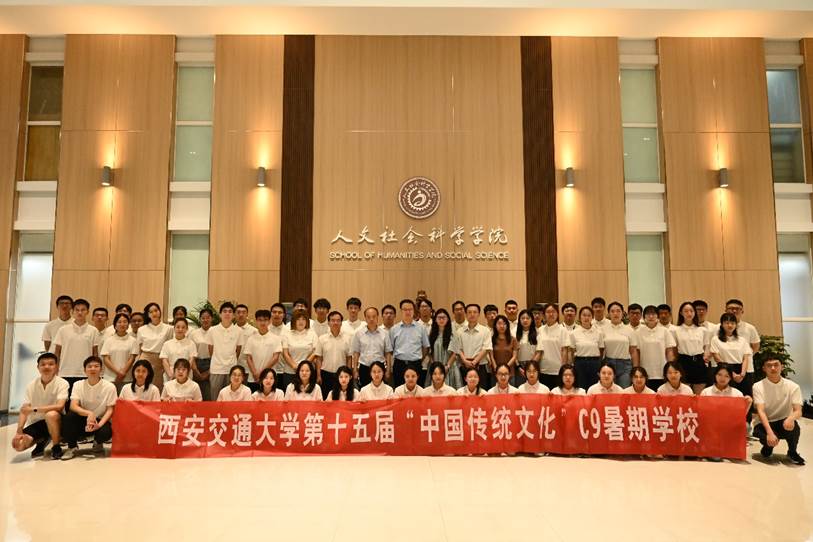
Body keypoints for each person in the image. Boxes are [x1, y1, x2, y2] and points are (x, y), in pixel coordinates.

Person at [11, 352, 68, 460]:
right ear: (38, 367)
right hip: (37, 423)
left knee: (51, 415)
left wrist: (34, 409)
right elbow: (24, 410)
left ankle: (56, 446)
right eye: (43, 364)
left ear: (56, 367)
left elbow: (60, 406)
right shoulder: (31, 385)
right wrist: (19, 431)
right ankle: (42, 441)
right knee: (19, 445)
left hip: (57, 421)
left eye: (50, 364)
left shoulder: (62, 383)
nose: (46, 367)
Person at [61, 356, 117, 460]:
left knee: (106, 432)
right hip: (83, 419)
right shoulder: (78, 385)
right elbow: (73, 406)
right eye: (89, 366)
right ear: (84, 370)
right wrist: (89, 414)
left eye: (96, 366)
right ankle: (72, 447)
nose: (93, 369)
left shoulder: (110, 387)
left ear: (101, 369)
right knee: (69, 417)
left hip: (100, 420)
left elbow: (110, 410)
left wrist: (98, 425)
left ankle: (98, 443)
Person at [752, 358, 805, 465]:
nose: (773, 368)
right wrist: (770, 433)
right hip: (764, 423)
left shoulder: (793, 386)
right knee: (764, 435)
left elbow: (798, 411)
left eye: (776, 365)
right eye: (769, 365)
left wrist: (791, 418)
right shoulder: (758, 386)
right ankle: (768, 447)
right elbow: (761, 411)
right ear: (764, 368)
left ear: (782, 367)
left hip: (783, 421)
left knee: (794, 427)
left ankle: (792, 452)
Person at [53, 298, 101, 397]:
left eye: (83, 310)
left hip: (85, 373)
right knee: (65, 400)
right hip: (65, 372)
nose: (80, 312)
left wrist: (95, 370)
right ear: (72, 311)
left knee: (83, 400)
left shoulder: (93, 330)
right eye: (77, 310)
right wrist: (56, 369)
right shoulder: (63, 330)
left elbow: (95, 353)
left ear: (87, 312)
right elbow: (57, 352)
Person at [207, 303, 246, 400]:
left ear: (233, 315)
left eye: (230, 311)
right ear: (220, 314)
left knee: (231, 399)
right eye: (224, 311)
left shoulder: (239, 331)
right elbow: (210, 349)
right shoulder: (212, 330)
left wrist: (231, 360)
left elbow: (238, 350)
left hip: (231, 369)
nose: (227, 314)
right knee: (215, 398)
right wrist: (217, 359)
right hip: (216, 369)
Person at [449, 303, 492, 388]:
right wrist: (465, 361)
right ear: (466, 314)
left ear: (479, 314)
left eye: (475, 312)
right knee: (464, 392)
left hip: (480, 366)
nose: (472, 314)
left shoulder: (485, 330)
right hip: (464, 366)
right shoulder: (459, 331)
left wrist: (474, 362)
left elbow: (486, 348)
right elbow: (458, 348)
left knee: (481, 392)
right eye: (469, 312)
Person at [710, 313, 753, 397]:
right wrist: (731, 374)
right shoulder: (716, 339)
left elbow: (745, 358)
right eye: (727, 323)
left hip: (741, 371)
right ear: (722, 324)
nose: (730, 325)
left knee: (744, 397)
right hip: (724, 371)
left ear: (736, 325)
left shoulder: (742, 340)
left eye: (732, 323)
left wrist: (742, 374)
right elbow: (717, 358)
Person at [389, 299, 430, 387]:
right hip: (399, 364)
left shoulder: (421, 328)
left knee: (416, 390)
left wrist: (419, 358)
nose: (408, 312)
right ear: (401, 311)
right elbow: (391, 349)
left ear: (414, 311)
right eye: (405, 309)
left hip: (415, 364)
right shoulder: (394, 329)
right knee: (399, 390)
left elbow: (425, 347)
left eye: (410, 309)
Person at [636, 305, 677, 391]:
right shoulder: (638, 332)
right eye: (648, 314)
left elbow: (669, 351)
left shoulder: (664, 331)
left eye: (653, 314)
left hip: (661, 370)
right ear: (644, 317)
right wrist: (637, 369)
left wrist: (670, 368)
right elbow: (637, 352)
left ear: (657, 316)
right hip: (645, 370)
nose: (651, 316)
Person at [243, 309, 283, 394]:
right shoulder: (251, 338)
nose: (262, 322)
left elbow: (275, 357)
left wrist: (262, 373)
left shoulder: (276, 338)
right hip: (253, 377)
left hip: (269, 377)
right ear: (256, 321)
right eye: (260, 320)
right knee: (253, 400)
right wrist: (255, 373)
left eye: (265, 320)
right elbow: (248, 358)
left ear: (269, 321)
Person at [352, 307, 393, 387]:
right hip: (364, 368)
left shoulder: (384, 333)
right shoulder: (359, 334)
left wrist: (388, 370)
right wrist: (355, 370)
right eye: (368, 317)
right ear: (365, 318)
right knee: (364, 391)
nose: (371, 319)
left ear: (378, 317)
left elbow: (388, 353)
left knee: (381, 390)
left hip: (380, 367)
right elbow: (356, 353)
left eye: (374, 316)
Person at [315, 311, 352, 399]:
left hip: (342, 376)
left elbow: (349, 358)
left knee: (341, 398)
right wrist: (318, 375)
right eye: (332, 320)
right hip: (326, 374)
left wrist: (349, 374)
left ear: (341, 323)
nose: (335, 323)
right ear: (328, 323)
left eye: (338, 320)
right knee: (326, 399)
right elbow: (319, 358)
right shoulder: (322, 339)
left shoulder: (348, 339)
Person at [136, 302, 173, 391]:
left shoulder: (168, 328)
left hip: (160, 359)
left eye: (156, 310)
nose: (154, 313)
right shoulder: (141, 329)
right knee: (143, 383)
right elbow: (139, 349)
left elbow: (169, 346)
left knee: (158, 385)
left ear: (160, 311)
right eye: (151, 312)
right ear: (148, 314)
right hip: (145, 357)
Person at [673, 301, 708, 395]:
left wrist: (705, 357)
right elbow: (674, 349)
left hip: (699, 361)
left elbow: (706, 346)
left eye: (691, 311)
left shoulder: (702, 330)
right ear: (681, 313)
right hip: (683, 361)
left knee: (699, 394)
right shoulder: (675, 330)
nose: (689, 313)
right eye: (686, 311)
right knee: (685, 393)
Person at [602, 301, 639, 388]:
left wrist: (635, 368)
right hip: (608, 364)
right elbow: (601, 350)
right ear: (608, 314)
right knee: (609, 390)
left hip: (625, 365)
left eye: (618, 311)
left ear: (623, 313)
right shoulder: (603, 330)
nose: (615, 314)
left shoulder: (629, 330)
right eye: (612, 311)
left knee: (624, 390)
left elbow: (633, 351)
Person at [100, 313, 138, 392]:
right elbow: (106, 359)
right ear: (115, 325)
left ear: (128, 325)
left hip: (127, 377)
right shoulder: (108, 340)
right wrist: (118, 372)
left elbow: (132, 359)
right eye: (119, 322)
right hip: (110, 377)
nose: (122, 324)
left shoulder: (133, 341)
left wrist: (123, 373)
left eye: (125, 322)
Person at [282, 309, 319, 391]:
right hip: (290, 372)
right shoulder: (287, 334)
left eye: (303, 319)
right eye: (298, 319)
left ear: (307, 321)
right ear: (294, 321)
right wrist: (294, 366)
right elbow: (285, 354)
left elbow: (315, 352)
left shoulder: (312, 334)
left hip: (307, 372)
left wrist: (303, 366)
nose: (301, 322)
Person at [569, 306, 604, 391]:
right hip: (580, 363)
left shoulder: (598, 332)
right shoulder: (573, 333)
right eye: (584, 315)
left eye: (589, 315)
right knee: (581, 387)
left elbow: (601, 350)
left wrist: (598, 362)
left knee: (595, 388)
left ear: (592, 317)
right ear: (579, 317)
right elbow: (572, 351)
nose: (586, 318)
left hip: (594, 363)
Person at [538, 304, 571, 389]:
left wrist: (563, 369)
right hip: (543, 369)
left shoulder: (562, 330)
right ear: (544, 315)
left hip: (557, 370)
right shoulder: (540, 330)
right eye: (548, 312)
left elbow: (564, 350)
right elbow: (539, 350)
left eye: (553, 312)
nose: (551, 314)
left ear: (557, 314)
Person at [428, 308, 461, 389]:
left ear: (448, 319)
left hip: (449, 367)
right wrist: (434, 366)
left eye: (444, 317)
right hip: (435, 368)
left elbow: (454, 353)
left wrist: (447, 366)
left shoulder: (452, 334)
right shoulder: (432, 335)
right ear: (435, 320)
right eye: (439, 318)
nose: (441, 320)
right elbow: (430, 352)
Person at [189, 308, 213, 400]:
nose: (205, 320)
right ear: (199, 319)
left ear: (211, 319)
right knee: (196, 393)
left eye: (208, 317)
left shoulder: (216, 332)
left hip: (211, 363)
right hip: (196, 364)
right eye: (203, 318)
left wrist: (209, 371)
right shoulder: (194, 333)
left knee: (209, 393)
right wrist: (195, 371)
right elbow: (191, 352)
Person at [514, 309, 540, 387]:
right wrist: (518, 366)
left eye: (527, 318)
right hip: (519, 366)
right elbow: (513, 352)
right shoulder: (514, 333)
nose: (525, 320)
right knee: (521, 388)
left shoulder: (538, 332)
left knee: (534, 387)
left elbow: (539, 352)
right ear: (519, 320)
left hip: (534, 364)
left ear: (532, 320)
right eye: (523, 318)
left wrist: (531, 366)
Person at [490, 315, 518, 382]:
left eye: (504, 324)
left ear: (507, 326)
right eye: (499, 323)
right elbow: (491, 356)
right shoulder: (491, 340)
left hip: (509, 372)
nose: (502, 326)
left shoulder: (513, 339)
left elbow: (514, 356)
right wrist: (497, 369)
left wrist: (505, 368)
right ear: (495, 326)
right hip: (496, 372)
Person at [234, 303, 259, 372]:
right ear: (234, 314)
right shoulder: (230, 330)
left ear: (247, 314)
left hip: (248, 368)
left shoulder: (254, 331)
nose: (241, 315)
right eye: (238, 312)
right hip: (232, 367)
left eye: (243, 312)